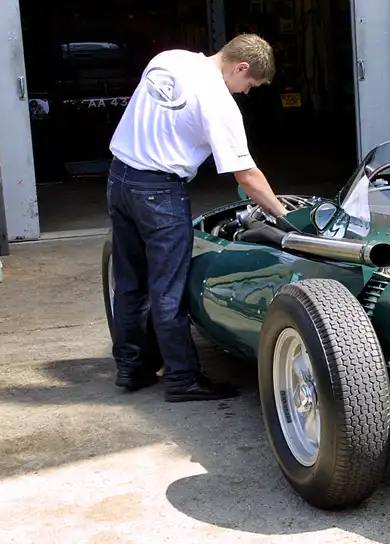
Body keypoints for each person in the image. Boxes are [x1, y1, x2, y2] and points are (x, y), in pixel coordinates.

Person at [106, 34, 289, 402]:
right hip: (159, 192)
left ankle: (132, 367)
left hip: (120, 180)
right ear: (241, 67)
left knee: (129, 282)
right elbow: (247, 176)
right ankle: (182, 378)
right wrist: (285, 216)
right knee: (168, 289)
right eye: (249, 84)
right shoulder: (219, 102)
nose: (246, 92)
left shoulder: (169, 58)